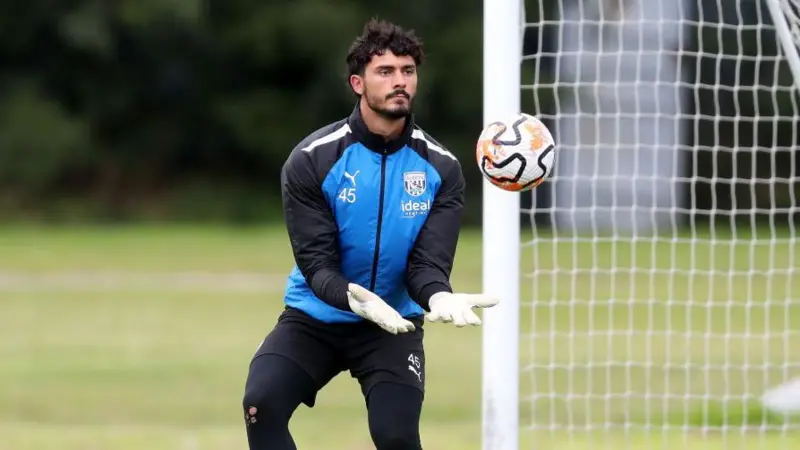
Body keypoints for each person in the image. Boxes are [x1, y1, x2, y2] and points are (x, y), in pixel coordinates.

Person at [241, 18, 499, 450]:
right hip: (315, 317)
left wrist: (438, 296)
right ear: (357, 83)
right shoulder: (312, 160)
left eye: (408, 71)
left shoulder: (442, 169)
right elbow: (317, 264)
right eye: (386, 72)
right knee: (261, 404)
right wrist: (353, 298)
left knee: (396, 437)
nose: (400, 81)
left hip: (393, 325)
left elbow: (426, 265)